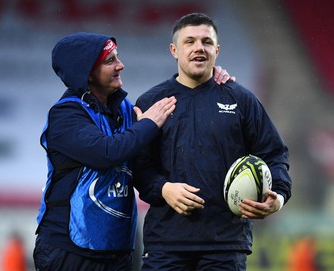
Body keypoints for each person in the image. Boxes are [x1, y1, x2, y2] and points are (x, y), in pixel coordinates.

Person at [33, 32, 232, 271]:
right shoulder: (65, 116)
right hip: (69, 249)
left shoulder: (126, 110)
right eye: (110, 61)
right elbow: (107, 153)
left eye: (117, 57)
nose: (121, 65)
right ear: (86, 72)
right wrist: (147, 124)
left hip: (118, 249)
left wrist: (210, 77)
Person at [134, 13, 292, 271]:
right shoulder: (152, 102)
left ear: (217, 50)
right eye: (190, 41)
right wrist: (163, 189)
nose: (199, 47)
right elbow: (138, 166)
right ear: (174, 50)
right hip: (166, 243)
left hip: (225, 245)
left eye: (207, 42)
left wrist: (279, 197)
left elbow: (274, 154)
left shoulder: (242, 100)